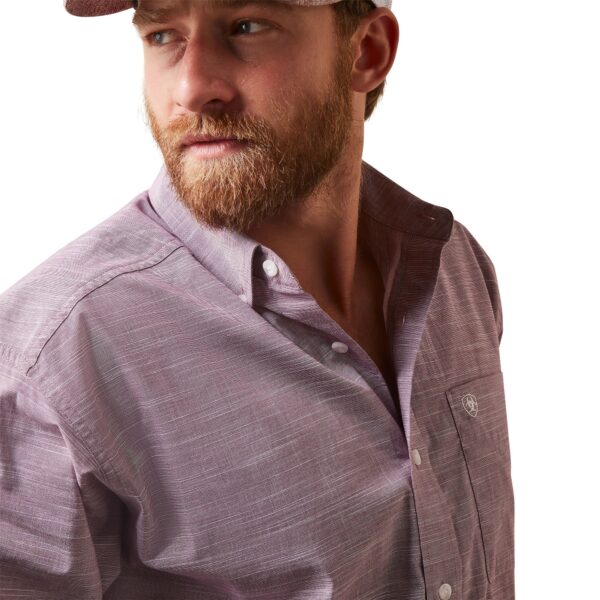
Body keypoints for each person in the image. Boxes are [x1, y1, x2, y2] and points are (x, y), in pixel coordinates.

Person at [0, 0, 515, 598]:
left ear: (367, 51)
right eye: (163, 34)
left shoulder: (452, 268)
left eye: (246, 26)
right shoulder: (56, 359)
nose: (192, 88)